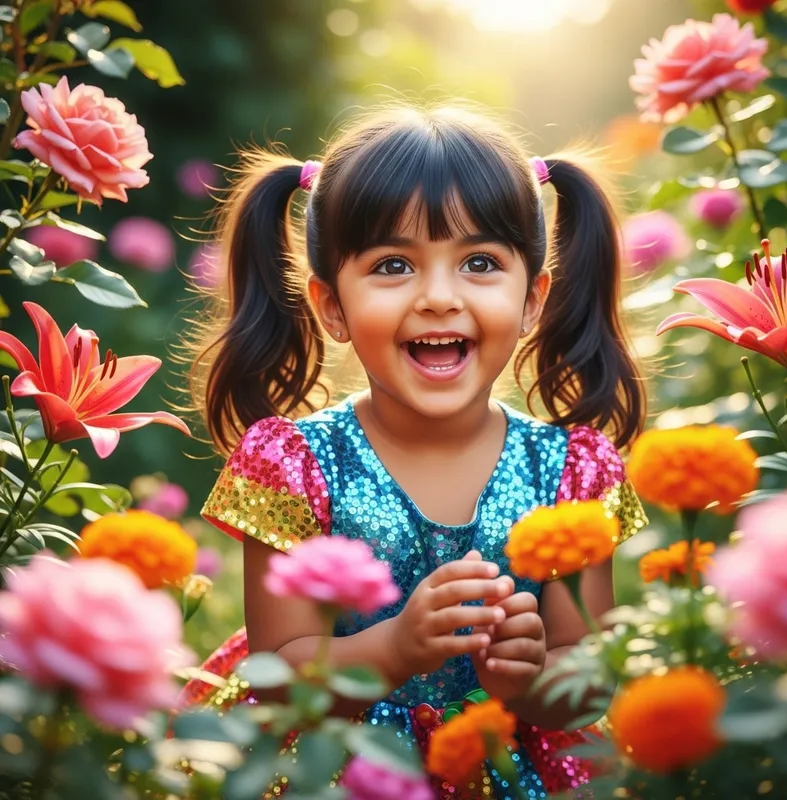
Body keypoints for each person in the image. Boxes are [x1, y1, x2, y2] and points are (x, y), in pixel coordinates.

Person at [180, 105, 648, 799]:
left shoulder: (572, 472)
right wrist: (394, 650)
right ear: (331, 305)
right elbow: (276, 676)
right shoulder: (294, 462)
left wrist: (528, 680)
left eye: (480, 263)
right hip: (334, 768)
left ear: (532, 301)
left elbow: (587, 685)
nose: (438, 297)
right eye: (393, 265)